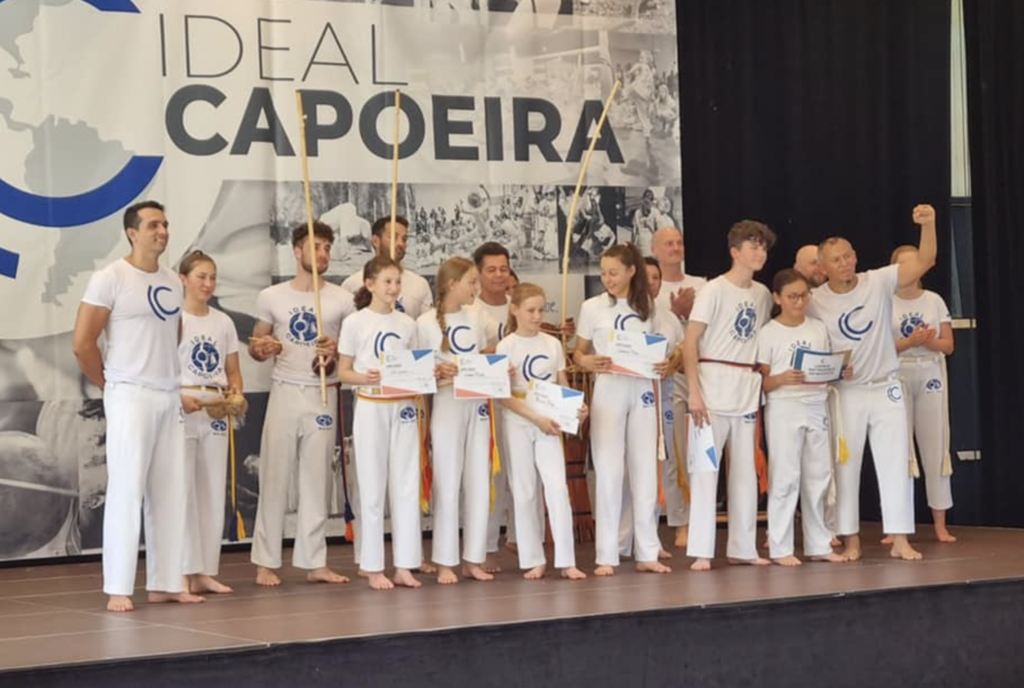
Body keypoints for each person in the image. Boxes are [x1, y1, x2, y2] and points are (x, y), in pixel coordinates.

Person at [72, 200, 204, 612]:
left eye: (165, 224)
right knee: (127, 491)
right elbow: (82, 342)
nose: (162, 231)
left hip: (167, 394)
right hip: (129, 394)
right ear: (132, 233)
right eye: (153, 225)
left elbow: (173, 333)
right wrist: (110, 383)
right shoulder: (110, 278)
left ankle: (166, 583)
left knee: (170, 492)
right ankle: (118, 587)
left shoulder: (171, 279)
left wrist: (167, 381)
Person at [806, 204, 938, 561]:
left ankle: (900, 539)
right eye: (836, 259)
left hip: (886, 386)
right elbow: (802, 342)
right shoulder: (815, 301)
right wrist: (831, 370)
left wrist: (928, 224)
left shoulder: (877, 281)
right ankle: (850, 540)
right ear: (823, 267)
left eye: (848, 255)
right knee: (846, 468)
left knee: (896, 464)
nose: (845, 263)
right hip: (846, 392)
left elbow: (925, 260)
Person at [248, 221, 354, 586]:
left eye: (327, 247)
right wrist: (263, 348)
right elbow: (257, 345)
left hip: (322, 392)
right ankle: (265, 561)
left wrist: (335, 351)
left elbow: (351, 353)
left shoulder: (341, 299)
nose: (323, 254)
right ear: (297, 251)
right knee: (274, 475)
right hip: (284, 390)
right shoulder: (272, 296)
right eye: (316, 247)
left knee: (317, 479)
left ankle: (314, 561)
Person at [573, 244, 672, 576]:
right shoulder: (592, 307)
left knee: (644, 470)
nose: (607, 279)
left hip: (642, 388)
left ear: (631, 271)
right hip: (609, 387)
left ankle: (647, 551)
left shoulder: (648, 306)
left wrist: (663, 364)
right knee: (609, 470)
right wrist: (589, 361)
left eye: (613, 272)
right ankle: (607, 554)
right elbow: (579, 353)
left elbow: (660, 351)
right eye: (603, 273)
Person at [684, 220, 775, 571]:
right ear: (735, 251)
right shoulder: (713, 290)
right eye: (753, 246)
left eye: (763, 247)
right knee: (705, 470)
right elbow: (690, 342)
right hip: (711, 388)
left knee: (745, 474)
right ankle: (702, 550)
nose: (760, 252)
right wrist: (694, 393)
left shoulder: (763, 294)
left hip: (746, 389)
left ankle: (743, 547)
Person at [337, 255, 425, 590]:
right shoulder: (355, 323)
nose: (393, 287)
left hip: (403, 407)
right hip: (371, 405)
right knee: (372, 487)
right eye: (387, 281)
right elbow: (343, 372)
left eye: (397, 281)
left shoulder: (407, 324)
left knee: (406, 486)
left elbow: (415, 366)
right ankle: (373, 566)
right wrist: (364, 377)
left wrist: (423, 375)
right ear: (370, 284)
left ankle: (405, 565)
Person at [757, 269, 849, 566]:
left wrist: (838, 371)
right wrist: (781, 378)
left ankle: (818, 543)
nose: (799, 302)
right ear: (778, 298)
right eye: (792, 297)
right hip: (784, 406)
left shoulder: (817, 328)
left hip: (816, 403)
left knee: (818, 475)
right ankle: (780, 546)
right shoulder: (769, 333)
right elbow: (761, 382)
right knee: (785, 476)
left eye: (804, 295)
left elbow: (825, 368)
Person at [497, 283, 588, 581]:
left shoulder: (552, 345)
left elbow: (562, 385)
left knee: (557, 487)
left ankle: (566, 559)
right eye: (530, 310)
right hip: (519, 419)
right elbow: (503, 395)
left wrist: (576, 407)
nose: (537, 316)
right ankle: (533, 558)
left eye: (540, 310)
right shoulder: (506, 346)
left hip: (550, 422)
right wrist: (535, 418)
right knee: (524, 491)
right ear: (515, 310)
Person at [416, 257, 494, 584]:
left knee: (479, 481)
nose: (477, 287)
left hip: (477, 402)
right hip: (447, 402)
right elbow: (415, 369)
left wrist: (493, 364)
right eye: (471, 282)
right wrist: (435, 370)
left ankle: (473, 558)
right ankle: (445, 560)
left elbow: (490, 351)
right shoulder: (424, 323)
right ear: (452, 284)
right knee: (447, 482)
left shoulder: (478, 315)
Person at [178, 250, 243, 595]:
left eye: (212, 277)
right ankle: (181, 571)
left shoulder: (223, 322)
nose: (208, 283)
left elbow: (233, 372)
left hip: (215, 407)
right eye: (201, 276)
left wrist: (236, 395)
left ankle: (204, 570)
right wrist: (177, 397)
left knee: (213, 489)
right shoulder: (173, 319)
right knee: (182, 490)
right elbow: (161, 367)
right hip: (184, 404)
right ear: (183, 279)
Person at [618, 258, 685, 561]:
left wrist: (672, 364)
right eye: (646, 277)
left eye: (656, 277)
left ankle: (650, 539)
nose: (652, 282)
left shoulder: (669, 319)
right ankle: (622, 540)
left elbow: (681, 355)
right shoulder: (621, 313)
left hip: (663, 399)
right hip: (629, 398)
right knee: (626, 471)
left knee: (658, 468)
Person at [890, 245, 956, 543]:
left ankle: (940, 523)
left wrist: (927, 342)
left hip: (929, 371)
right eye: (901, 266)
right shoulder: (885, 301)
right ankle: (896, 525)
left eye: (913, 264)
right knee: (897, 450)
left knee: (935, 447)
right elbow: (879, 349)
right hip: (897, 372)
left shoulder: (934, 300)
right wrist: (909, 341)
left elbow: (948, 345)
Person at [651, 226, 707, 548]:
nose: (675, 247)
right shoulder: (651, 294)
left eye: (679, 242)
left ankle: (701, 517)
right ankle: (680, 522)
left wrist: (690, 315)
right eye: (668, 243)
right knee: (674, 452)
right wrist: (675, 313)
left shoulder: (701, 285)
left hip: (698, 376)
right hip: (668, 379)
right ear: (655, 250)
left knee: (701, 450)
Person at [341, 215, 433, 320]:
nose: (401, 243)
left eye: (404, 239)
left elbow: (426, 326)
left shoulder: (419, 284)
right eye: (394, 237)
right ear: (375, 241)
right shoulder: (353, 284)